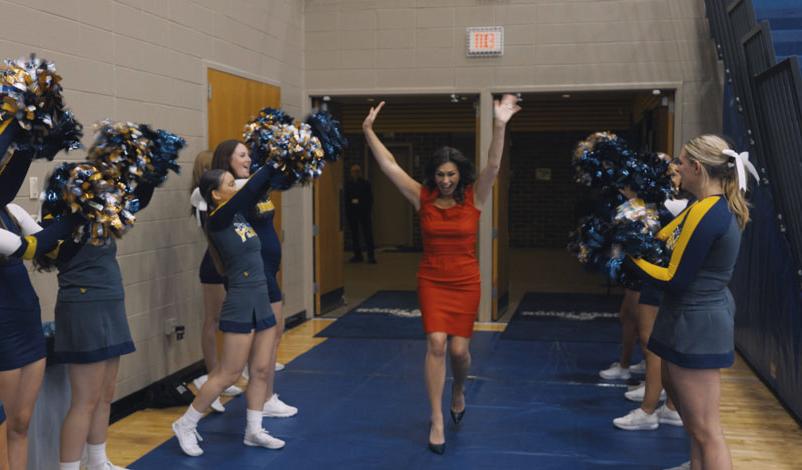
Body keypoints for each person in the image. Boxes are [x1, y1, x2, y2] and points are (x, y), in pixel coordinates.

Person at [362, 94, 520, 454]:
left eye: (451, 174)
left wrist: (499, 125)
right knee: (436, 343)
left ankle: (459, 389)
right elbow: (389, 166)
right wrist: (369, 131)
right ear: (433, 176)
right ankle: (436, 418)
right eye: (440, 174)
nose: (446, 180)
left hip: (465, 280)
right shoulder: (423, 198)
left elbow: (493, 167)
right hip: (432, 279)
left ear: (459, 174)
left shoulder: (474, 198)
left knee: (460, 351)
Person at [626, 135, 757, 470]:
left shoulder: (710, 212)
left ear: (697, 167)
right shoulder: (701, 208)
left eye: (681, 162)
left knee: (706, 430)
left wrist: (629, 258)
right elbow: (663, 244)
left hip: (697, 322)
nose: (676, 167)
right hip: (684, 316)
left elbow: (674, 277)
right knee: (695, 429)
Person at [172, 159, 285, 457]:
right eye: (230, 184)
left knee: (261, 369)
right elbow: (251, 190)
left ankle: (254, 429)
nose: (237, 187)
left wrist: (281, 165)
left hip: (261, 296)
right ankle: (186, 423)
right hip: (240, 300)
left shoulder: (238, 216)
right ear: (216, 195)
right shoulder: (218, 220)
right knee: (229, 373)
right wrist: (273, 161)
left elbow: (258, 190)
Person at [211, 140, 296, 419]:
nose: (249, 159)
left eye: (249, 154)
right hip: (254, 272)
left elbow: (281, 176)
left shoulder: (254, 185)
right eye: (242, 155)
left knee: (275, 335)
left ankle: (265, 395)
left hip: (269, 268)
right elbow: (258, 181)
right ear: (227, 160)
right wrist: (272, 160)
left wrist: (293, 154)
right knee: (266, 340)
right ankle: (265, 396)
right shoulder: (235, 192)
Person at [614, 157, 685, 431]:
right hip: (653, 278)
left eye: (678, 172)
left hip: (660, 278)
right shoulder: (659, 205)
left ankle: (650, 409)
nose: (676, 176)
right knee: (653, 343)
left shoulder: (677, 206)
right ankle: (666, 405)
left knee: (653, 344)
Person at [189, 150, 243, 413]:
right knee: (212, 320)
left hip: (223, 262)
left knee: (220, 320)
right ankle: (211, 375)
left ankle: (222, 372)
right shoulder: (201, 201)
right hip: (213, 264)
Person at [344, 164, 375, 263]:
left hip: (364, 212)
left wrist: (366, 209)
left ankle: (371, 256)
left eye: (357, 171)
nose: (355, 173)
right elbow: (346, 199)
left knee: (367, 234)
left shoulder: (365, 184)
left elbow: (369, 198)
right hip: (353, 212)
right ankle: (358, 255)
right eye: (354, 171)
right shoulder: (348, 184)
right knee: (355, 235)